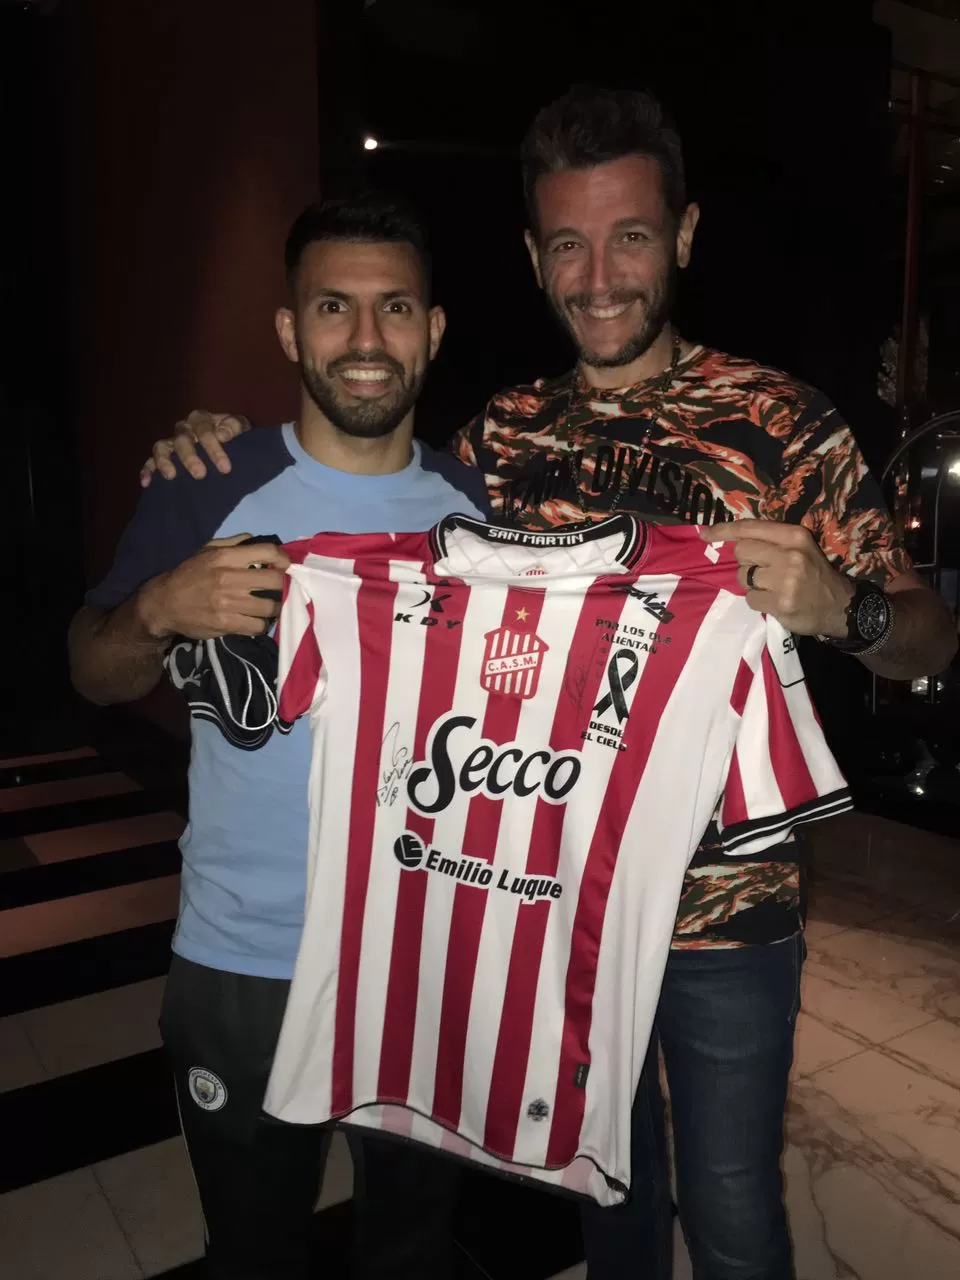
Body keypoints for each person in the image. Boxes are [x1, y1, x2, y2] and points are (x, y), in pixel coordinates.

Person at [138, 87, 957, 1280]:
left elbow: (933, 642)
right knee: (607, 1202)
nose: (601, 272)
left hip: (727, 920)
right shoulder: (497, 441)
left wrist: (849, 607)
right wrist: (219, 449)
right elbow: (374, 489)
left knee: (732, 1215)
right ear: (534, 259)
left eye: (630, 234)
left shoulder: (786, 422)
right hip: (552, 908)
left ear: (681, 236)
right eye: (568, 242)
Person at [69, 192, 490, 1280]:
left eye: (393, 307)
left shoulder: (478, 514)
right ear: (289, 330)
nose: (363, 340)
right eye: (333, 308)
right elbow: (92, 670)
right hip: (241, 961)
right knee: (254, 1253)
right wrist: (159, 606)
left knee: (408, 1245)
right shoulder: (207, 486)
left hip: (419, 960)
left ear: (432, 330)